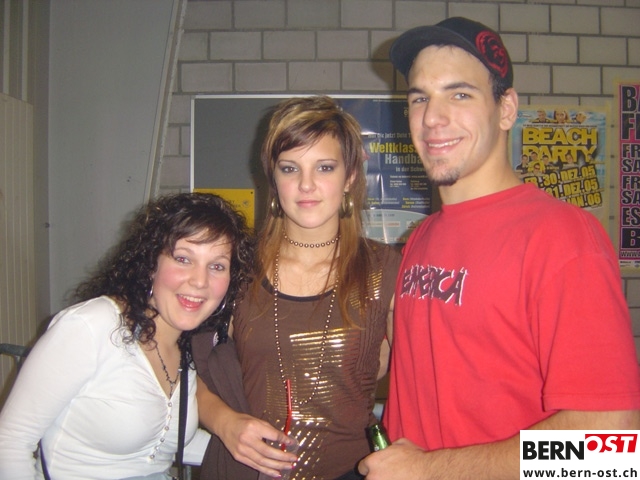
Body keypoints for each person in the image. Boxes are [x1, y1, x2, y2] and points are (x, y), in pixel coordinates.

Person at [358, 16, 640, 479]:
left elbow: (609, 448)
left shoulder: (563, 237)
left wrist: (430, 470)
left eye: (460, 95)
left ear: (506, 109)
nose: (433, 118)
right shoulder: (422, 237)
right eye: (419, 98)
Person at [193, 95, 401, 480]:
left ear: (350, 176)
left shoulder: (385, 269)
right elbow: (191, 372)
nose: (306, 185)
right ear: (273, 178)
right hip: (248, 472)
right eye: (290, 168)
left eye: (324, 167)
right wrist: (224, 422)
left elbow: (422, 380)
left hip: (350, 471)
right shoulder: (237, 265)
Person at [0, 192, 254, 480]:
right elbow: (10, 442)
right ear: (151, 264)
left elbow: (156, 447)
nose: (200, 281)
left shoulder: (188, 348)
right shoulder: (92, 326)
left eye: (217, 266)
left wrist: (253, 448)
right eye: (183, 259)